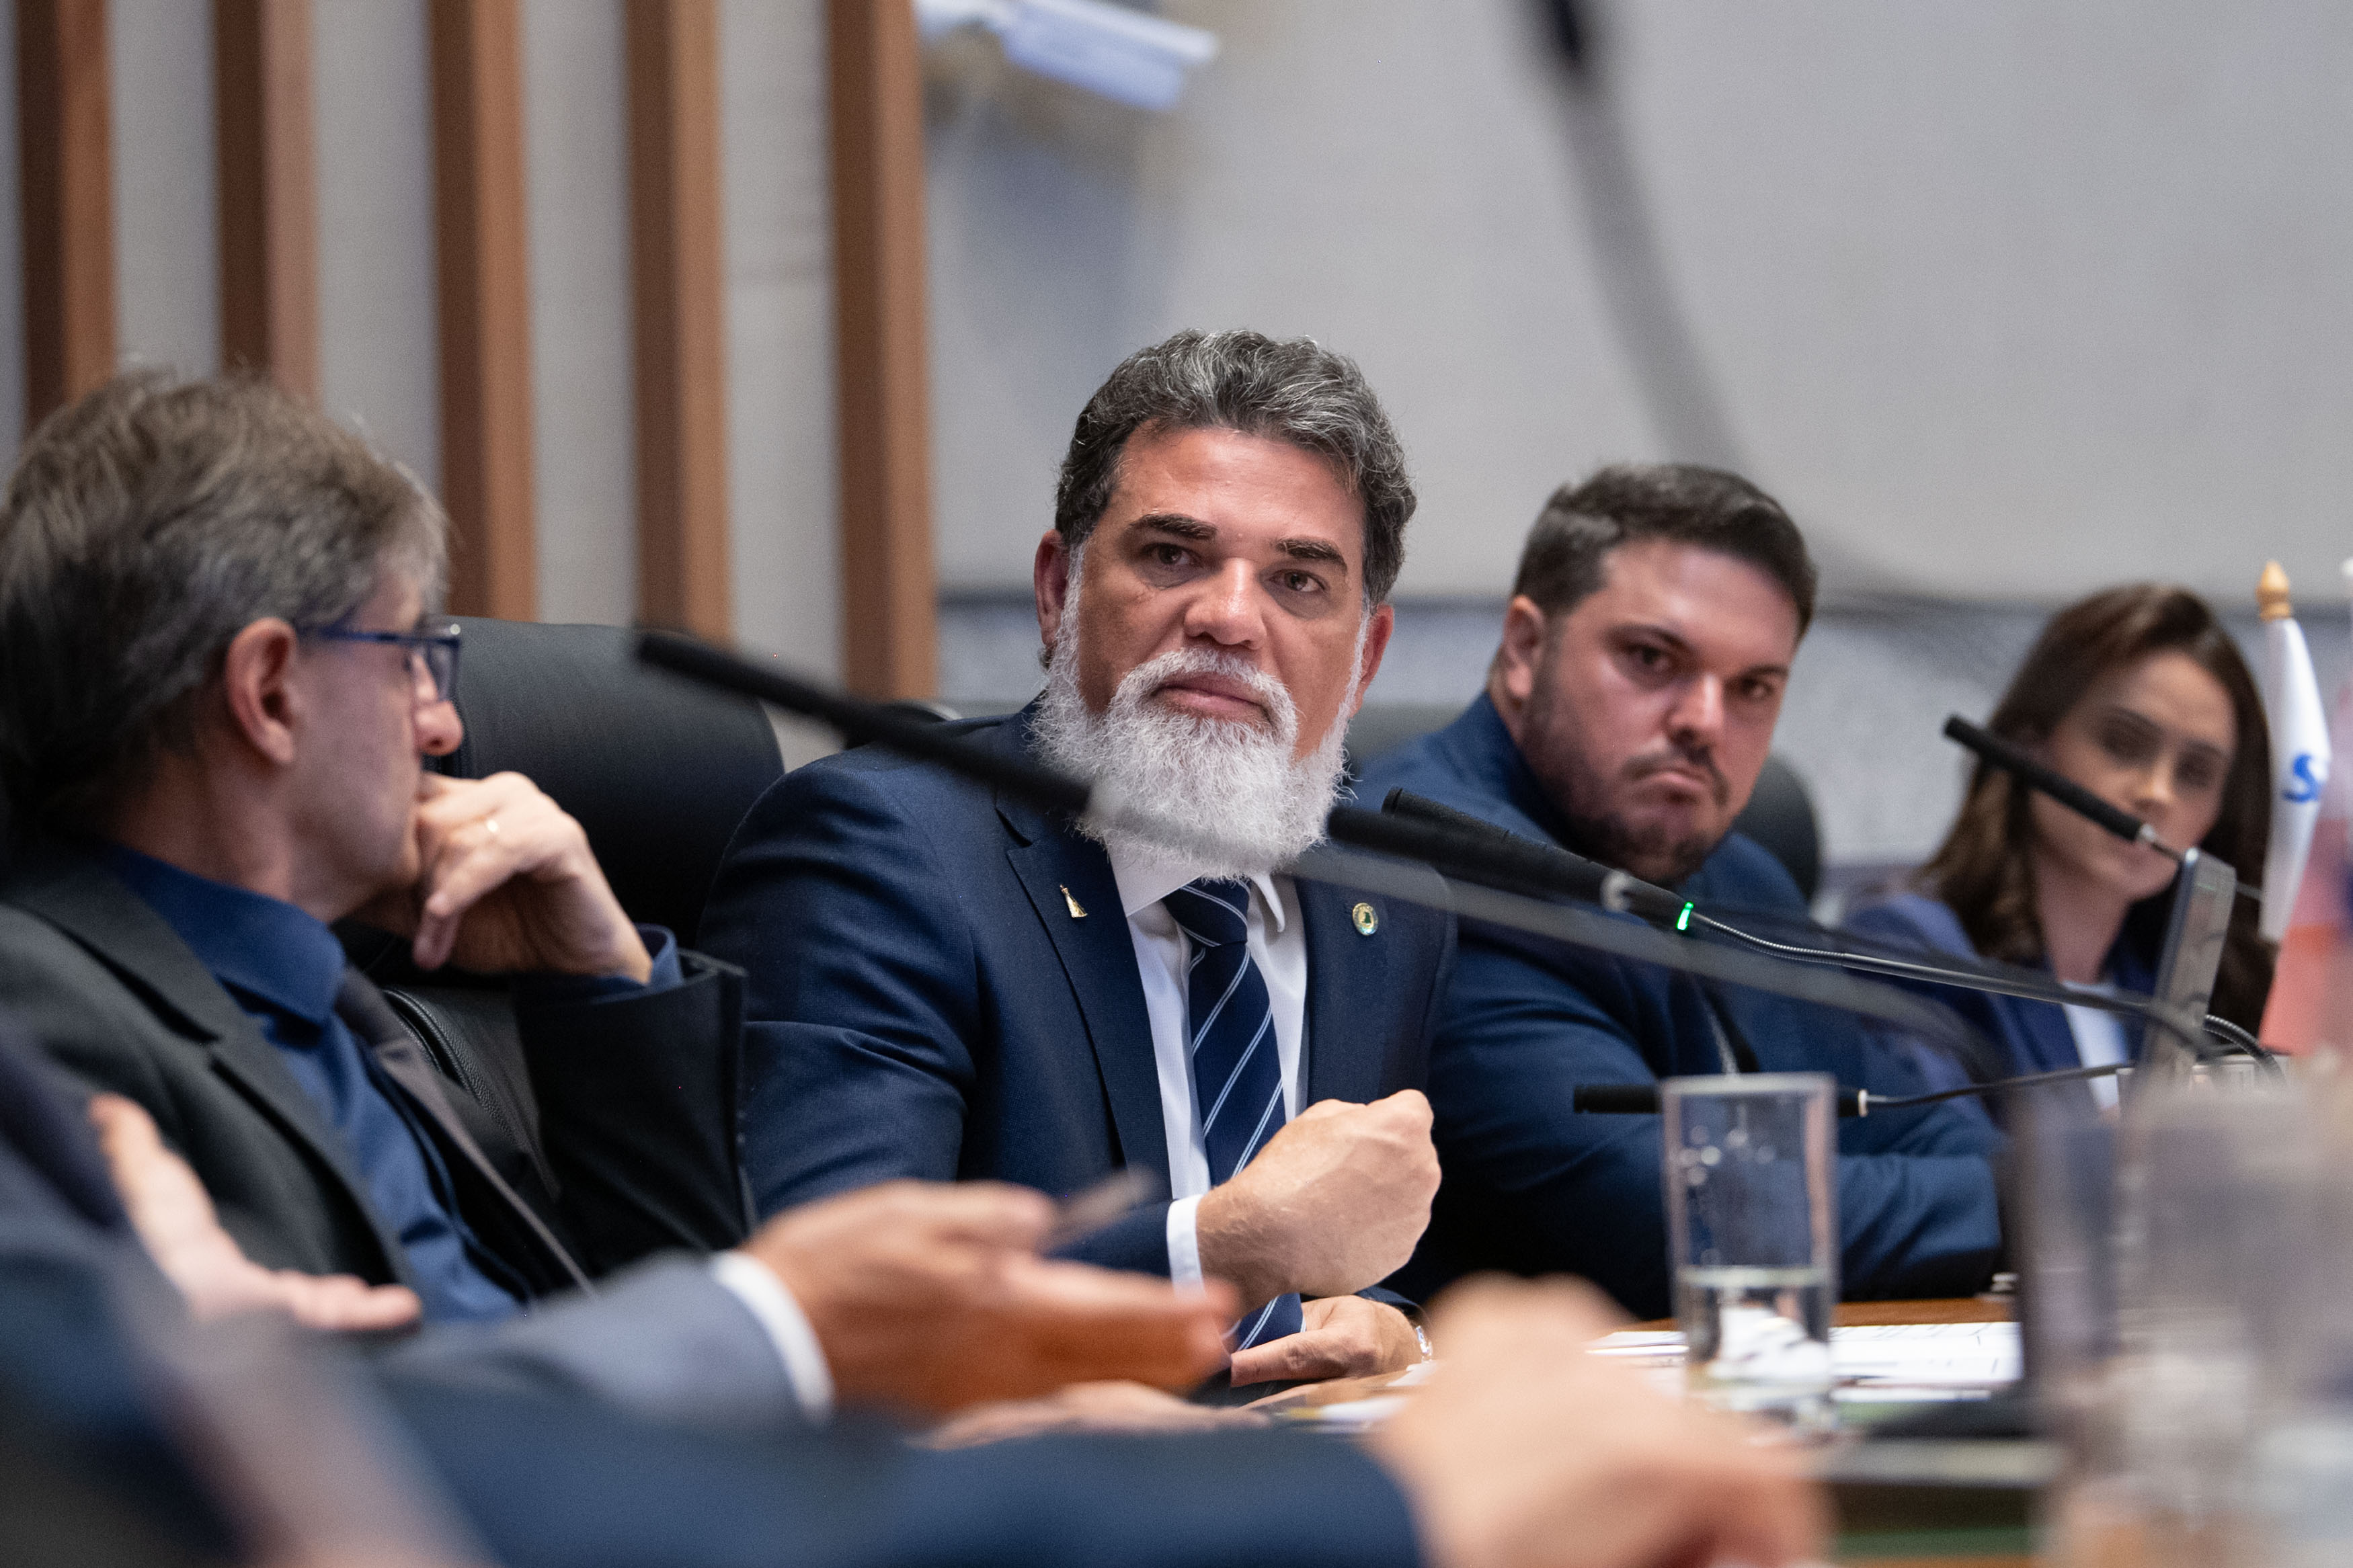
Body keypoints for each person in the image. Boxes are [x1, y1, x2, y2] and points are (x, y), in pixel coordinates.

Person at [0, 370, 1230, 1427]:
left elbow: (695, 1360)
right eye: (414, 660)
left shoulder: (340, 1006)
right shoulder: (42, 1031)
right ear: (270, 691)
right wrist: (778, 1317)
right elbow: (333, 1449)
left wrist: (598, 983)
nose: (444, 725)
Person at [0, 1016, 1825, 1568]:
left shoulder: (1374, 888)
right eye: (412, 655)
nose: (447, 721)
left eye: (1303, 578)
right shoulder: (906, 841)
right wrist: (1389, 1502)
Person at [702, 329, 1453, 1385]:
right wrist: (1224, 1249)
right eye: (1173, 555)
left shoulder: (1390, 908)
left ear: (1365, 658)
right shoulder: (880, 854)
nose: (1230, 618)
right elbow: (835, 1315)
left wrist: (1386, 1328)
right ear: (1058, 590)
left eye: (1297, 581)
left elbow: (1357, 1252)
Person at [1359, 464, 2006, 1319]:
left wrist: (2023, 1183)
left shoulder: (1739, 872)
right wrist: (2023, 1204)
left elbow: (1900, 1117)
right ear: (1523, 648)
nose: (1704, 720)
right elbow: (1669, 1219)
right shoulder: (1432, 870)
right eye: (1651, 659)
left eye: (1752, 687)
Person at [1846, 584, 2274, 1106]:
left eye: (2196, 772)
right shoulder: (1910, 948)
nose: (2158, 793)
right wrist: (2118, 1144)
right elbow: (1946, 1151)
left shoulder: (2177, 998)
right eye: (2123, 743)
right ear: (2031, 746)